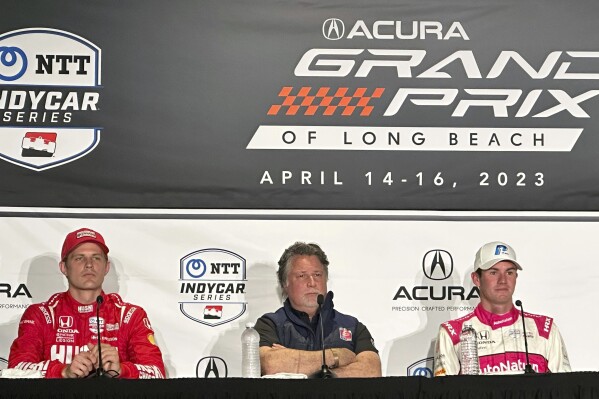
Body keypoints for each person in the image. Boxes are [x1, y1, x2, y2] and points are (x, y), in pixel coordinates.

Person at [8, 228, 166, 379]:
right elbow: (15, 371)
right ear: (64, 267)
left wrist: (121, 369)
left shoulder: (130, 316)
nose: (89, 264)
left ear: (106, 267)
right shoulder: (41, 315)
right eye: (79, 258)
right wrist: (63, 371)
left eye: (96, 258)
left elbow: (157, 373)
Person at [434, 241, 571, 375]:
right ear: (476, 279)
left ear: (516, 277)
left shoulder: (545, 328)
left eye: (509, 273)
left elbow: (564, 389)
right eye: (493, 273)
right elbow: (444, 392)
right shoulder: (453, 332)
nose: (503, 280)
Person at [255, 242, 382, 377]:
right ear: (284, 283)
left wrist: (296, 364)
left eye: (317, 275)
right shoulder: (270, 325)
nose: (312, 282)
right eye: (302, 276)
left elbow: (372, 371)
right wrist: (338, 356)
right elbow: (269, 365)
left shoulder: (352, 326)